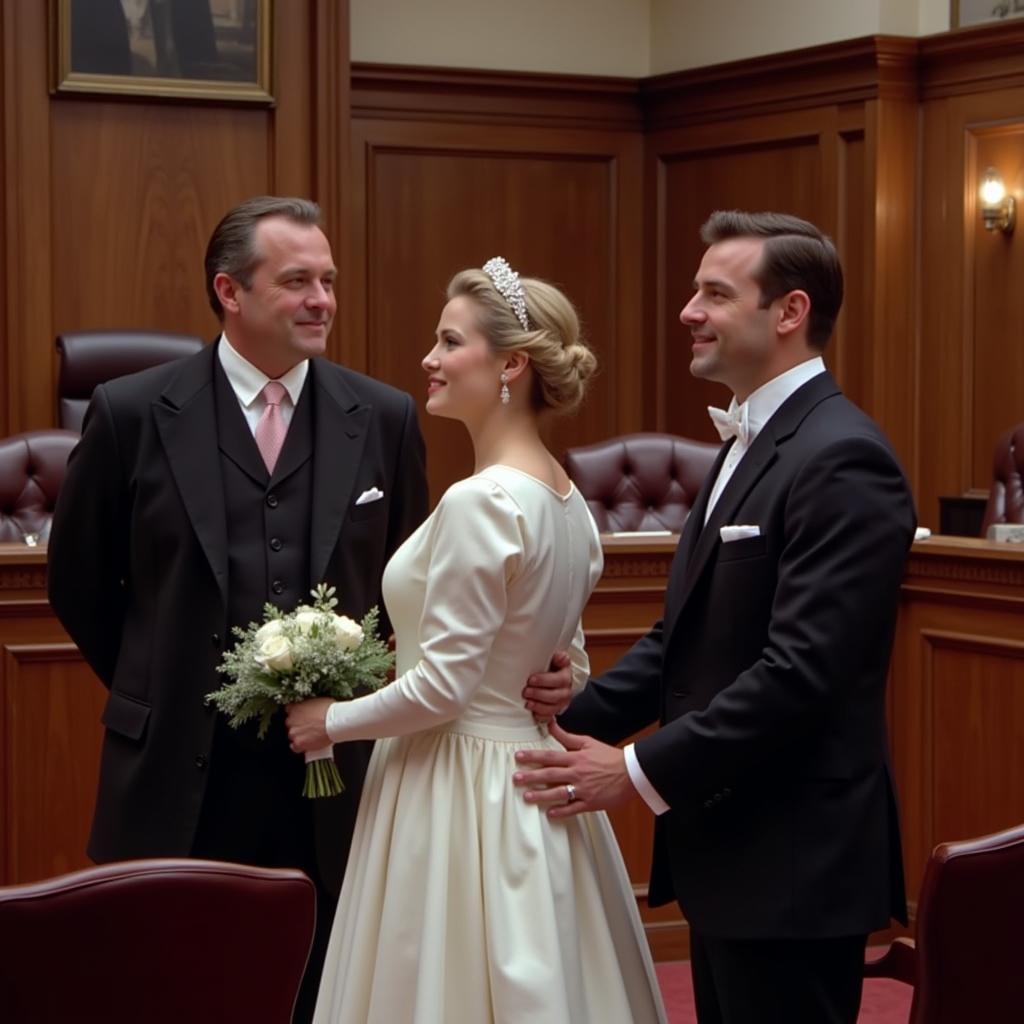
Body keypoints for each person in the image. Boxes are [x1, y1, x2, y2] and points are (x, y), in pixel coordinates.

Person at [513, 211, 916, 1023]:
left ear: (789, 312)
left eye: (714, 293)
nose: (688, 311)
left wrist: (629, 771)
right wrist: (548, 718)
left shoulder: (843, 456)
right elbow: (685, 640)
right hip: (730, 847)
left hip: (795, 857)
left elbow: (799, 673)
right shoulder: (748, 440)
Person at [47, 196, 429, 1022]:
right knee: (169, 990)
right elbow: (78, 582)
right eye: (296, 281)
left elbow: (408, 587)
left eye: (327, 280)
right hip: (176, 773)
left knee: (323, 990)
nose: (322, 299)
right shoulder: (132, 412)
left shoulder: (386, 418)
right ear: (230, 291)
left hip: (330, 778)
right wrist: (163, 680)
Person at [285, 258, 667, 1024]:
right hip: (531, 778)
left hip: (458, 785)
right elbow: (572, 657)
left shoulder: (480, 501)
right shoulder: (565, 499)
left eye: (448, 341)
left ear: (511, 365)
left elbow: (443, 689)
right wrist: (564, 681)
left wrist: (330, 722)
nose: (429, 358)